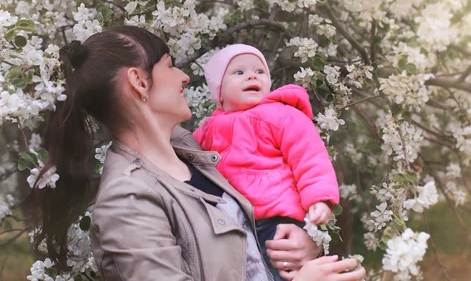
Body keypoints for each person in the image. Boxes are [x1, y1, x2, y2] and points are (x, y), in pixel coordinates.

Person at [31, 25, 365, 281]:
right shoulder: (127, 201)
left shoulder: (195, 151)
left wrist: (302, 243)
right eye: (170, 66)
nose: (184, 76)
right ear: (139, 81)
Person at [194, 44, 340, 280]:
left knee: (284, 272)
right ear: (219, 91)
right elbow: (188, 156)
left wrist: (319, 198)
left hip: (277, 223)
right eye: (239, 72)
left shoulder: (281, 115)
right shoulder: (208, 127)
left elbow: (309, 156)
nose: (252, 75)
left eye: (259, 71)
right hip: (234, 225)